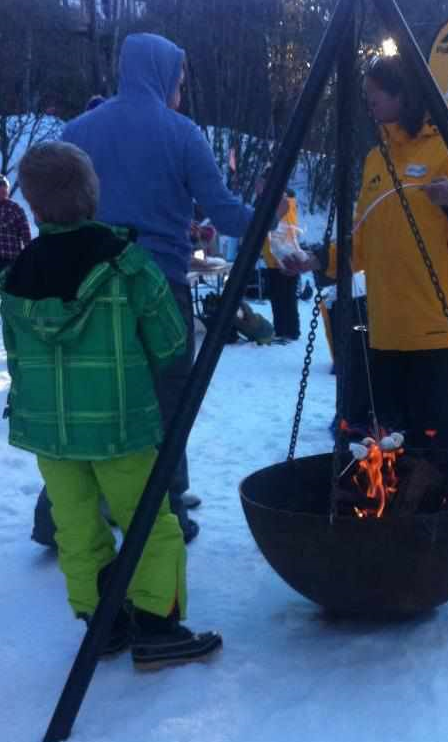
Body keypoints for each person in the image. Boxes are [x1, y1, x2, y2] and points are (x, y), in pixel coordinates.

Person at [0, 141, 222, 668]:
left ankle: (103, 622)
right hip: (121, 424)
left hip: (51, 433)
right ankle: (155, 623)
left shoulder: (15, 280)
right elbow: (171, 342)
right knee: (148, 518)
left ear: (32, 202)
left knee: (76, 525)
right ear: (91, 193)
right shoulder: (126, 264)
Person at [59, 32, 286, 542]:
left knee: (92, 399)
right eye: (179, 79)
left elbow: (64, 209)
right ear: (162, 76)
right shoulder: (181, 133)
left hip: (90, 291)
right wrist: (266, 217)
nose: (180, 89)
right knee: (167, 401)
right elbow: (225, 210)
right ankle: (165, 511)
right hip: (157, 290)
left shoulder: (77, 130)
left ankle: (60, 519)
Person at [293, 54, 448, 451]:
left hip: (436, 324)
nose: (367, 101)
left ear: (402, 94)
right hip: (387, 323)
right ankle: (396, 506)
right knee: (389, 437)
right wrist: (319, 260)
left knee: (432, 431)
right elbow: (364, 237)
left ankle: (441, 503)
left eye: (375, 94)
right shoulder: (378, 159)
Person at [258, 171, 302, 342]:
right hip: (274, 259)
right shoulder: (274, 201)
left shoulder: (283, 203)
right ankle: (282, 329)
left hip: (284, 258)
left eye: (262, 183)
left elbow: (283, 230)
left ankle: (290, 331)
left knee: (286, 296)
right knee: (277, 296)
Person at [0, 174, 32, 272]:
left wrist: (29, 256)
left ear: (7, 190)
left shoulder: (14, 208)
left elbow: (25, 233)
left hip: (10, 258)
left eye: (3, 187)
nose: (1, 190)